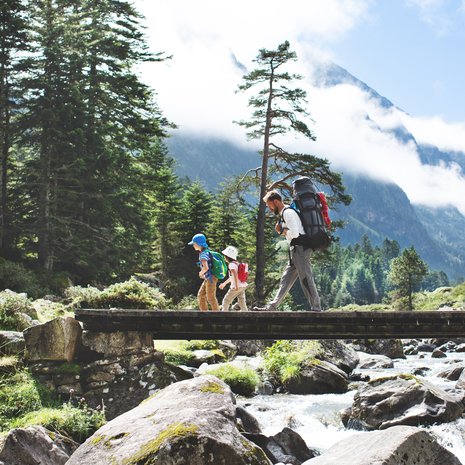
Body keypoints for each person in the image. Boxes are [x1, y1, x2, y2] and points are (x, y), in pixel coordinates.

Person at [253, 190, 323, 312]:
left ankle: (317, 309)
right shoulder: (286, 212)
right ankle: (272, 306)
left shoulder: (288, 213)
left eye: (270, 206)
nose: (269, 209)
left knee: (306, 279)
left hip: (300, 250)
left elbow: (295, 233)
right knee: (285, 280)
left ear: (276, 202)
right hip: (295, 251)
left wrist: (281, 231)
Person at [188, 233, 220, 311]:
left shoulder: (203, 254)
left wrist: (201, 273)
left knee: (210, 297)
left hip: (211, 278)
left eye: (194, 244)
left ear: (198, 244)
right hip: (208, 278)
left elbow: (206, 267)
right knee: (201, 295)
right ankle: (204, 313)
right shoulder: (206, 251)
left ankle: (218, 315)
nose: (193, 246)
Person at [219, 246, 248, 311]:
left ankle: (223, 316)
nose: (224, 257)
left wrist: (236, 286)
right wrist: (224, 284)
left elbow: (234, 274)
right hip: (242, 286)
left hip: (236, 287)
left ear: (227, 257)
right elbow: (232, 277)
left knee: (226, 301)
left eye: (225, 256)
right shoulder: (236, 264)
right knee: (242, 303)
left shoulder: (231, 264)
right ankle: (246, 315)